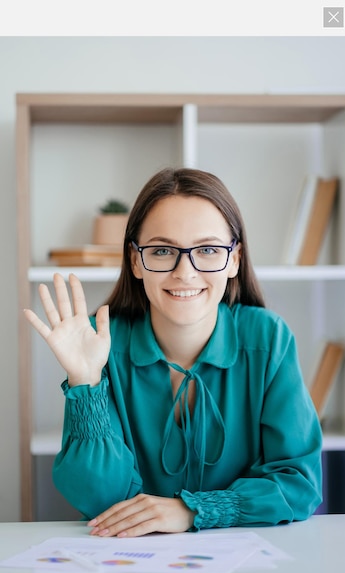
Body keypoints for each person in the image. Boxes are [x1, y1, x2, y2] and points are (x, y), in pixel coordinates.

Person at [24, 167, 323, 538]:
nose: (185, 272)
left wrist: (194, 510)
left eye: (209, 249)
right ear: (135, 260)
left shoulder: (268, 338)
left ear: (234, 259)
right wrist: (86, 383)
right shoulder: (99, 343)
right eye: (163, 250)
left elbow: (299, 482)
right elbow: (100, 502)